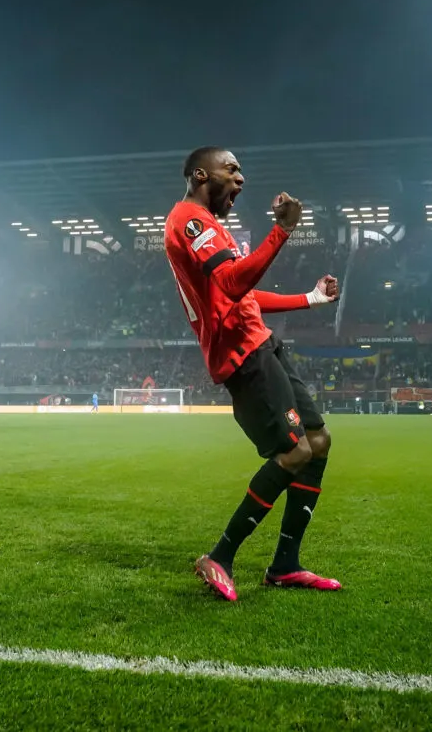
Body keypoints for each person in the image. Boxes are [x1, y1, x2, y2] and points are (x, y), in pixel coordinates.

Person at [165, 146, 341, 601]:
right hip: (241, 356)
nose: (241, 178)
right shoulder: (189, 220)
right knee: (295, 450)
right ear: (202, 174)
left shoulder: (212, 225)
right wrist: (280, 231)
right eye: (232, 169)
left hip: (263, 343)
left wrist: (310, 300)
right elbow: (230, 284)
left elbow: (243, 295)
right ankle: (220, 556)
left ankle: (285, 565)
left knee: (318, 442)